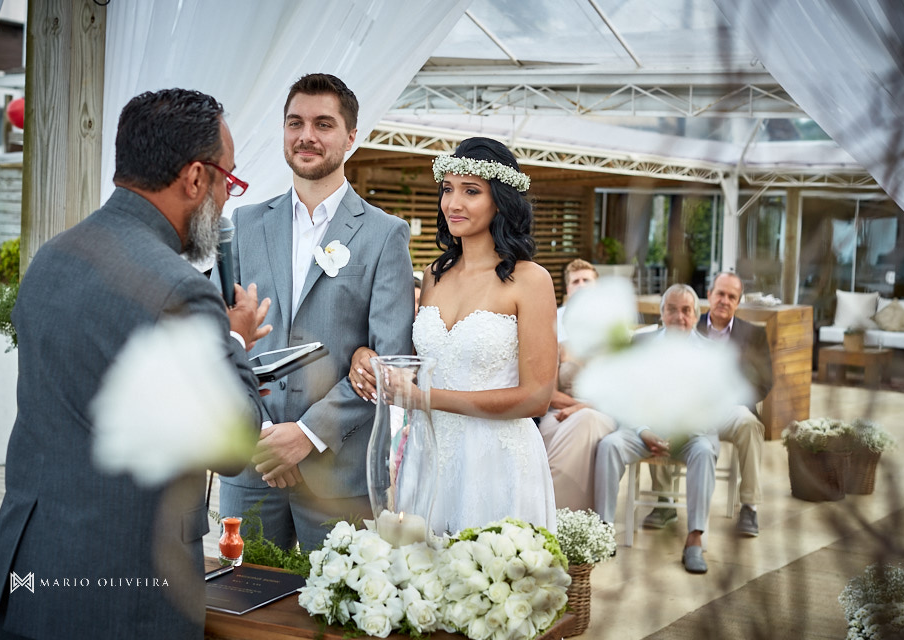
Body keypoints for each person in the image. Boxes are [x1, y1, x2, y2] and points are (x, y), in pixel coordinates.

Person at [0, 89, 271, 639]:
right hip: (119, 592)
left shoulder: (55, 255)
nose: (225, 200)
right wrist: (232, 344)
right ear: (194, 178)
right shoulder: (179, 290)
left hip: (29, 570)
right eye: (226, 182)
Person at [217, 73, 414, 553]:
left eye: (323, 124)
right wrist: (265, 435)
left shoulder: (385, 234)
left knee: (333, 618)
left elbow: (388, 359)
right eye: (295, 123)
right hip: (252, 466)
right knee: (243, 609)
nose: (306, 135)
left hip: (337, 473)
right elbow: (225, 339)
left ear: (350, 137)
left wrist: (306, 435)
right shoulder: (242, 224)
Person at [351, 137, 558, 534]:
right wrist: (366, 353)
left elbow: (537, 397)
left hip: (497, 460)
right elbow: (416, 362)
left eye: (471, 191)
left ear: (501, 199)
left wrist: (426, 399)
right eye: (447, 189)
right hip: (430, 455)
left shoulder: (531, 280)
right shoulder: (434, 274)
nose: (453, 203)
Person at [594, 284, 718, 574]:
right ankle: (601, 532)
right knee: (609, 445)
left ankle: (694, 540)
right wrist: (642, 430)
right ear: (662, 314)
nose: (678, 316)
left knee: (704, 451)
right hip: (644, 429)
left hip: (690, 434)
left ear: (696, 317)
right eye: (671, 309)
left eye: (686, 310)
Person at [643, 271, 771, 537]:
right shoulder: (686, 319)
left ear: (738, 301)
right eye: (720, 293)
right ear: (709, 295)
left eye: (731, 296)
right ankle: (665, 502)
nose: (724, 300)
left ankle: (749, 506)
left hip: (729, 408)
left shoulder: (753, 335)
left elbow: (763, 383)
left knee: (750, 424)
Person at [540, 259, 615, 512]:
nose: (581, 286)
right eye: (576, 281)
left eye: (587, 281)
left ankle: (558, 515)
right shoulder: (554, 327)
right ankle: (545, 509)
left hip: (605, 413)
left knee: (586, 422)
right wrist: (578, 406)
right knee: (563, 427)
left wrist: (583, 409)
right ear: (568, 290)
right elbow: (548, 393)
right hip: (559, 412)